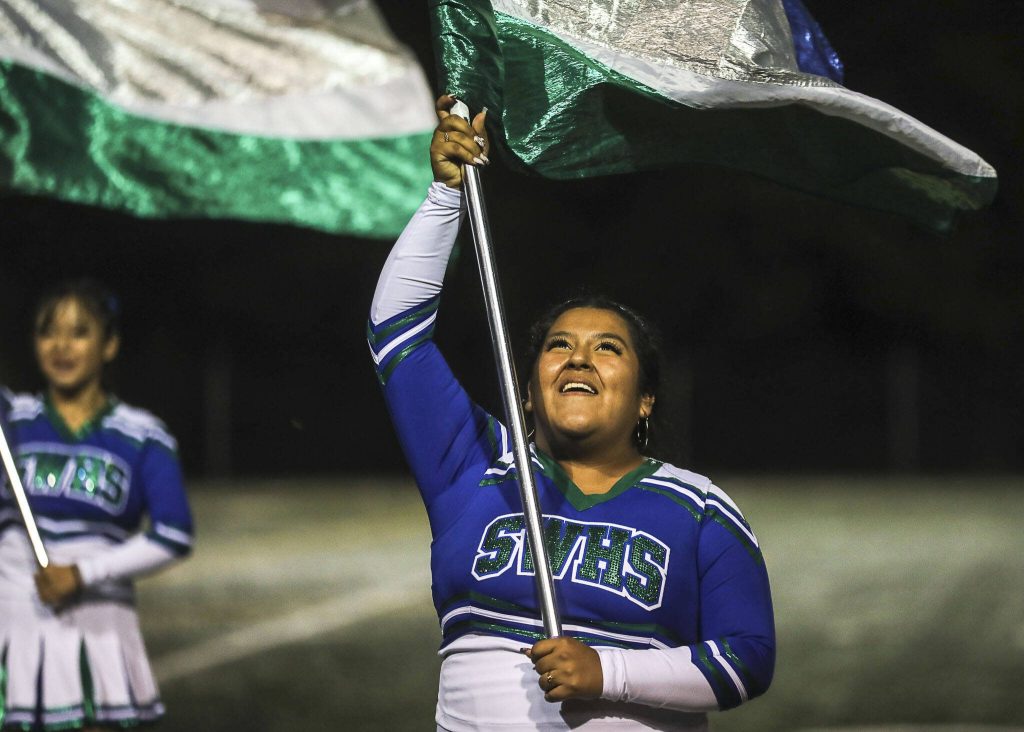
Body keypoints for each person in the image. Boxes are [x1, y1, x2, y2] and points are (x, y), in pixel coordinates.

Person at [367, 95, 775, 731]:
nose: (578, 359)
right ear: (527, 389)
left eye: (607, 349)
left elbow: (745, 660)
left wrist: (608, 673)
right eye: (559, 346)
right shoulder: (476, 468)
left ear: (645, 399)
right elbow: (396, 333)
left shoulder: (699, 509)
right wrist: (446, 198)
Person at [0, 279, 194, 730]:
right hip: (13, 628)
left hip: (97, 630)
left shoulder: (143, 434)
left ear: (109, 345)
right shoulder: (11, 421)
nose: (61, 346)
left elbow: (174, 533)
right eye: (48, 331)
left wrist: (82, 574)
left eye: (80, 332)